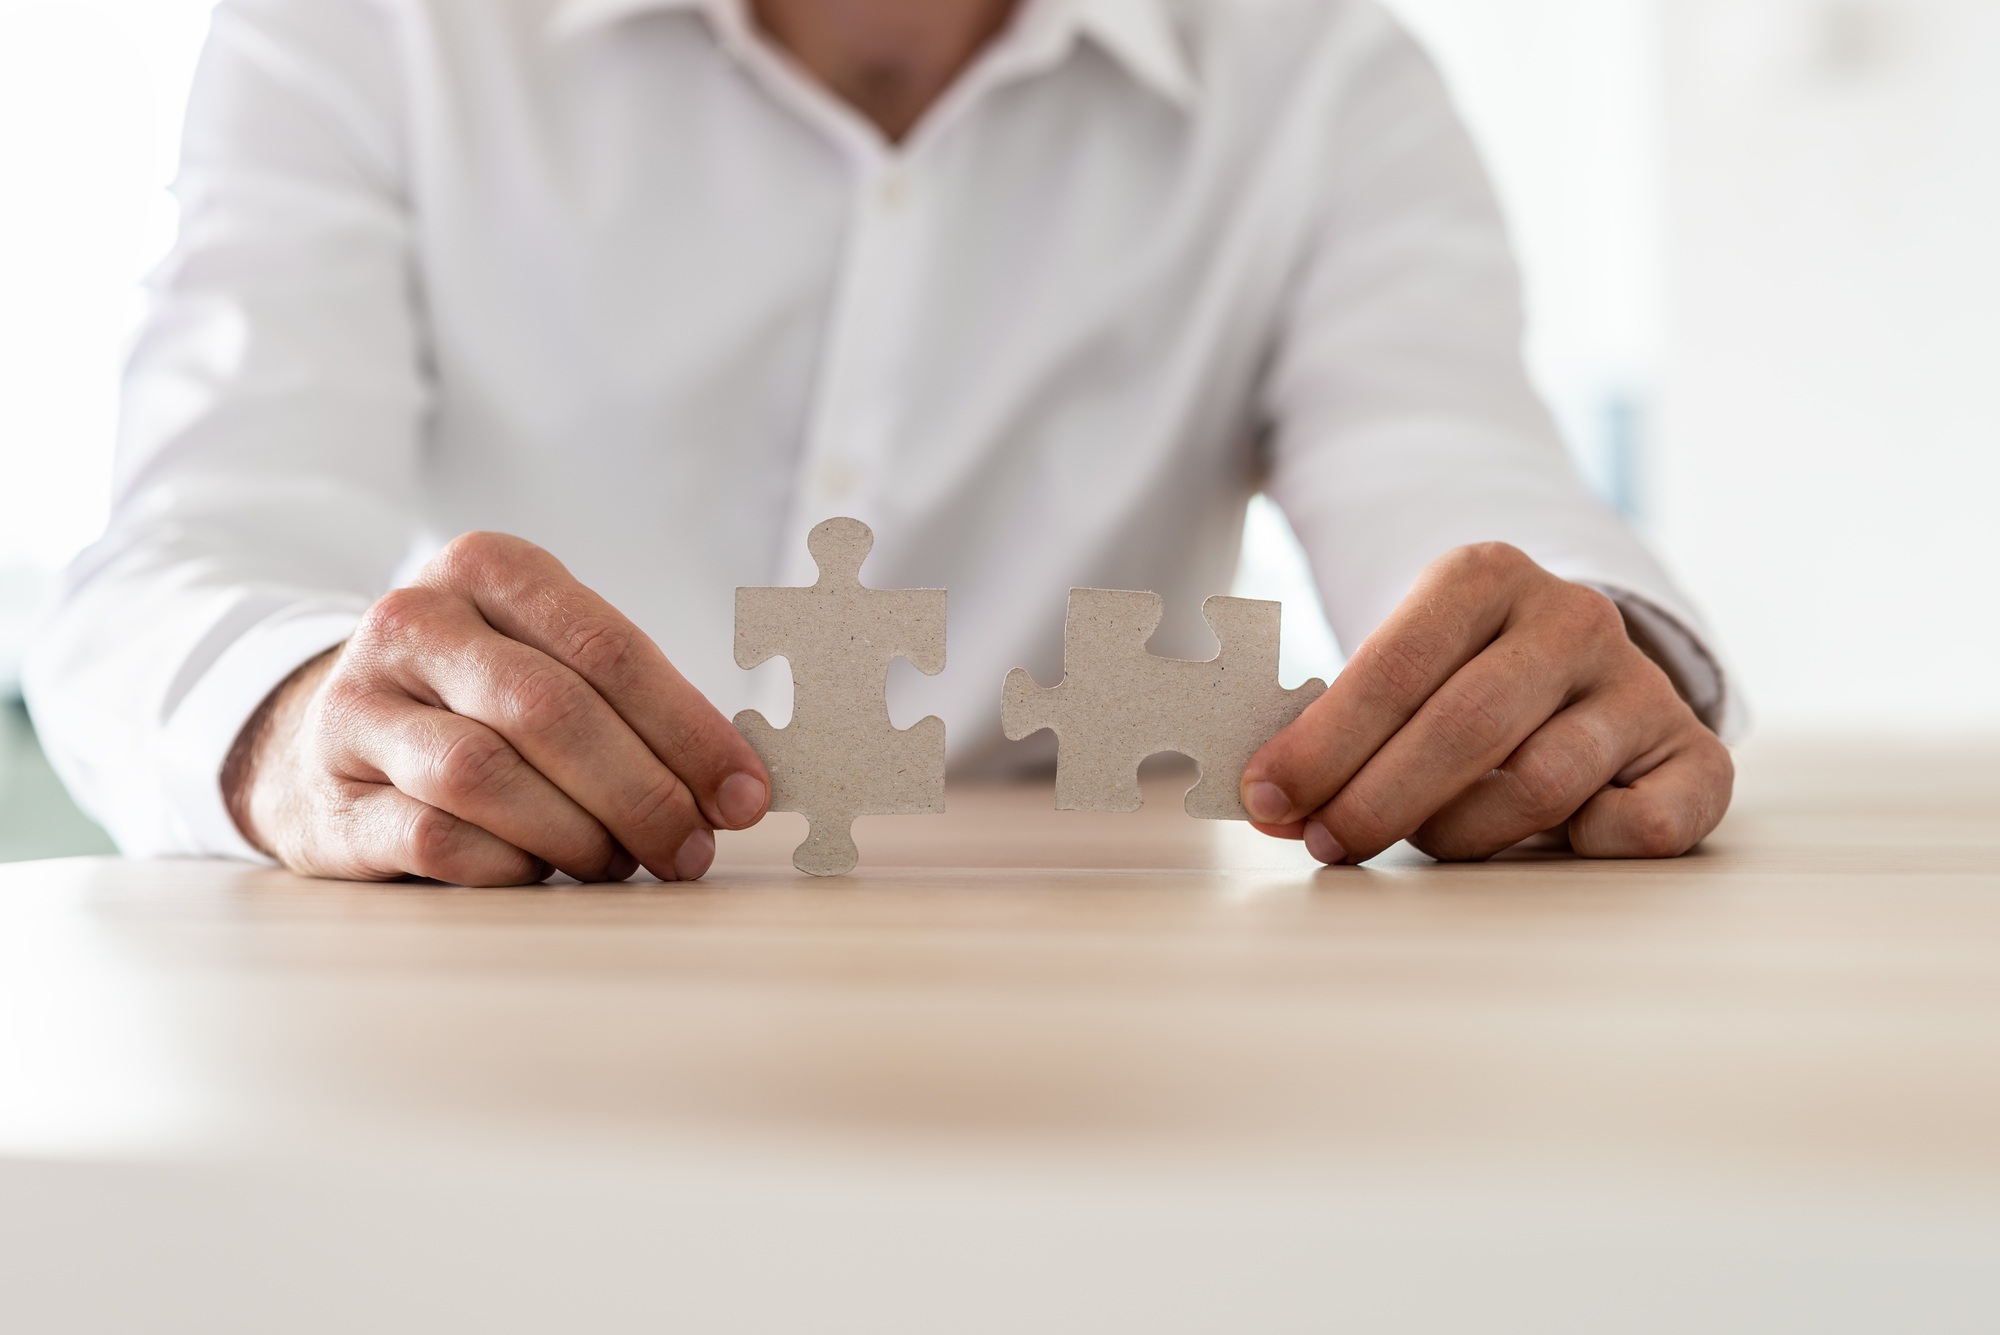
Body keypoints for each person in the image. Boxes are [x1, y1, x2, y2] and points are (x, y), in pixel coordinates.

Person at [26, 0, 1737, 886]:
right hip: (524, 1000)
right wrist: (289, 725)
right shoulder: (369, 28)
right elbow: (169, 571)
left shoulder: (1323, 73)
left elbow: (1456, 468)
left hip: (1103, 1052)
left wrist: (1579, 663)